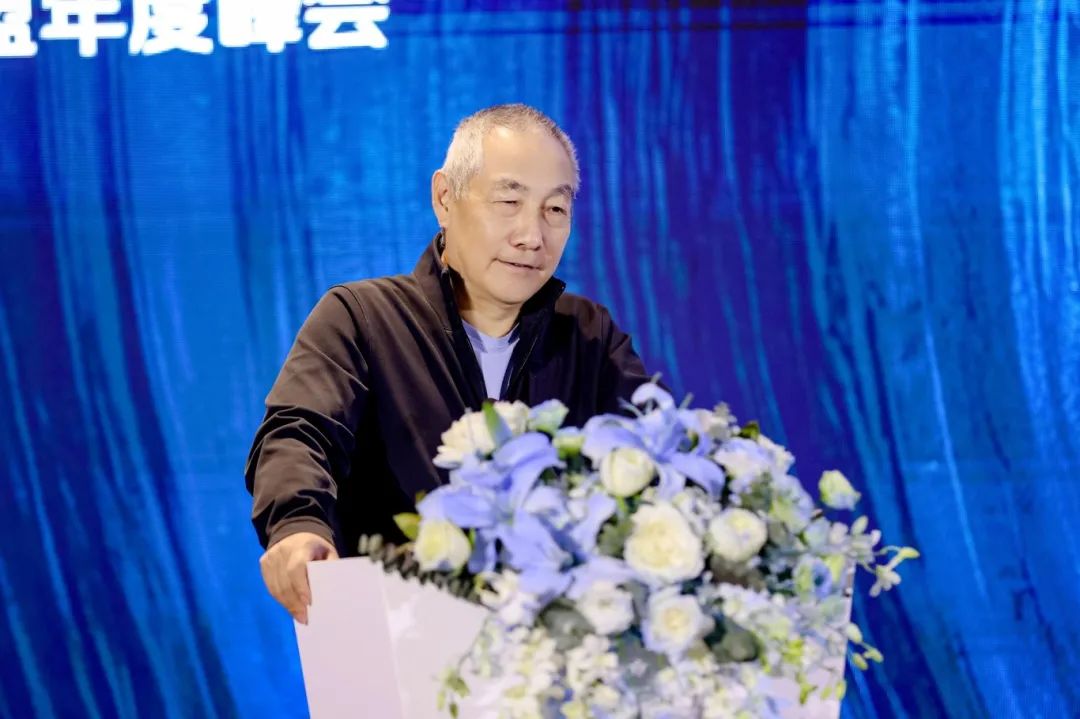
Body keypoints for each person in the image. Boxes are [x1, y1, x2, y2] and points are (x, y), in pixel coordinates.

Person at [245, 103, 654, 624]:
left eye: (555, 209)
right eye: (508, 201)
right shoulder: (363, 317)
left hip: (555, 645)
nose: (532, 235)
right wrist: (297, 525)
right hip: (395, 634)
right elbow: (300, 432)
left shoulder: (589, 335)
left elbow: (652, 452)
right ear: (444, 197)